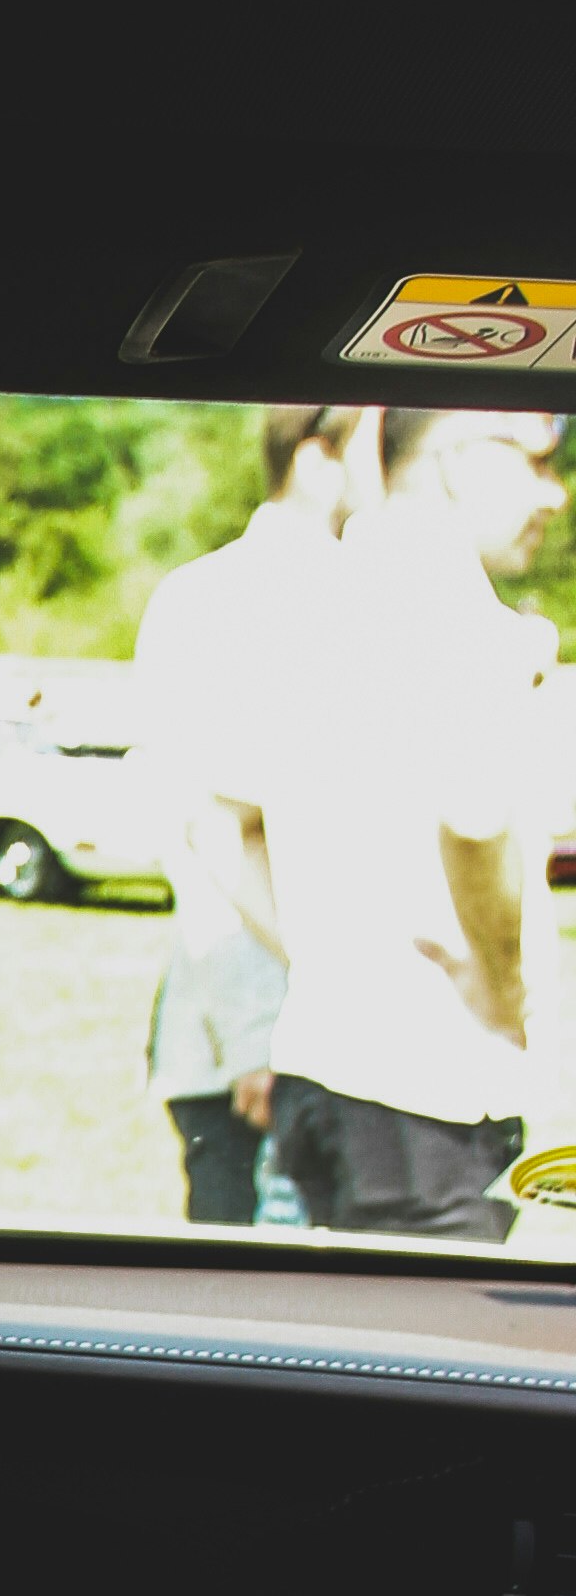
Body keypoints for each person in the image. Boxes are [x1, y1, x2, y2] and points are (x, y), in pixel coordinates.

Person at [245, 401, 568, 1243]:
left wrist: (322, 957)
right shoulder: (465, 620)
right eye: (537, 460)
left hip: (317, 1074)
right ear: (461, 462)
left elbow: (226, 824)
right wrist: (505, 990)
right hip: (432, 1093)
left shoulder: (305, 607)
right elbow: (473, 819)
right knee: (444, 1363)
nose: (554, 495)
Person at [128, 405, 362, 1223]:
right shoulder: (218, 597)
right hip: (255, 1064)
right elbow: (199, 831)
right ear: (315, 455)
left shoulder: (358, 592)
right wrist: (260, 1032)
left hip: (339, 1057)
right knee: (262, 1324)